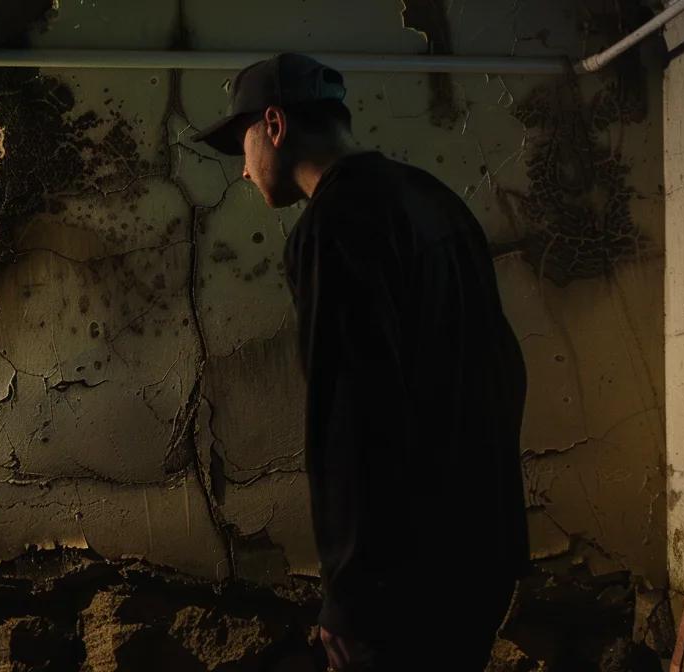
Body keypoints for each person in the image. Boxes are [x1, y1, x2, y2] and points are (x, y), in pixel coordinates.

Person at [192, 53, 530, 671]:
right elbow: (505, 370)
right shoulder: (434, 200)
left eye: (240, 146)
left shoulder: (336, 225)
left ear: (275, 125)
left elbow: (352, 413)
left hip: (405, 576)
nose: (242, 171)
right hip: (484, 549)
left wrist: (351, 597)